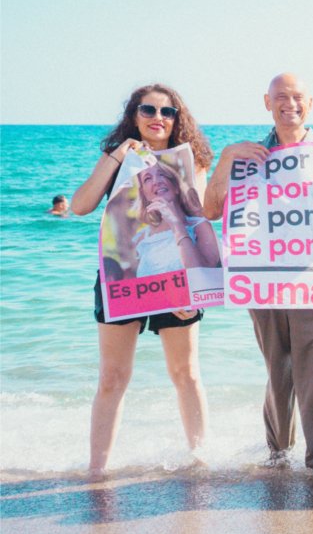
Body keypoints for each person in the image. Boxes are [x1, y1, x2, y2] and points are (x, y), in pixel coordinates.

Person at [204, 73, 313, 476]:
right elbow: (211, 210)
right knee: (279, 373)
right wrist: (225, 159)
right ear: (267, 102)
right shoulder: (244, 156)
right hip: (263, 284)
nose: (289, 104)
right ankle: (278, 456)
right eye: (281, 97)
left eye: (297, 97)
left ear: (311, 103)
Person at [71, 83, 214, 476]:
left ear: (177, 119)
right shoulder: (117, 158)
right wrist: (118, 154)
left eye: (167, 112)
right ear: (134, 115)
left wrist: (197, 288)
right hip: (122, 276)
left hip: (177, 276)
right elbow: (80, 206)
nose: (158, 118)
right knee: (113, 377)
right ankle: (97, 471)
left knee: (186, 374)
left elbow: (199, 221)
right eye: (148, 110)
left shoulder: (191, 160)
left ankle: (200, 463)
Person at [132, 160, 219, 277]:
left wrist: (176, 224)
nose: (156, 182)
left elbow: (203, 275)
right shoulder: (141, 238)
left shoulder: (200, 226)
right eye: (147, 179)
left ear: (176, 186)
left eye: (162, 174)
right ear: (144, 194)